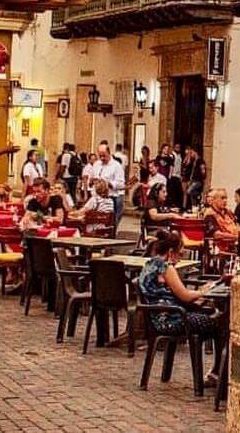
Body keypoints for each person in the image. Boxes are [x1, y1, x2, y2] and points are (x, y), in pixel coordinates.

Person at [138, 229, 223, 386]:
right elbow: (184, 295)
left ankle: (216, 372)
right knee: (219, 324)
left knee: (210, 318)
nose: (179, 258)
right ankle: (217, 372)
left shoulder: (149, 265)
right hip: (173, 319)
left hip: (157, 318)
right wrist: (204, 291)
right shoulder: (166, 268)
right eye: (180, 253)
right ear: (171, 252)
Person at [93, 142, 126, 226]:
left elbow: (121, 184)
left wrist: (109, 183)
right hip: (99, 196)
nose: (102, 158)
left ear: (109, 153)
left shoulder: (116, 166)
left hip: (114, 196)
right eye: (100, 156)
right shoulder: (96, 164)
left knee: (112, 221)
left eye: (104, 155)